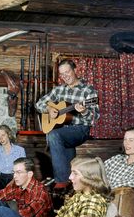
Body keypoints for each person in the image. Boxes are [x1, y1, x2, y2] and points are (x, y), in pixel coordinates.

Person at [35, 59, 99, 190]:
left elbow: (95, 118)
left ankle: (62, 181)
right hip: (63, 131)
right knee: (66, 159)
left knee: (53, 134)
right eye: (62, 74)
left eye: (67, 72)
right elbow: (39, 104)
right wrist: (48, 109)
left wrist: (85, 110)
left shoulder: (88, 90)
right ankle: (69, 187)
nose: (65, 76)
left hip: (80, 130)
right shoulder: (59, 90)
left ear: (75, 70)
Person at [18, 156, 110, 217]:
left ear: (89, 178)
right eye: (71, 172)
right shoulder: (80, 195)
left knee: (3, 213)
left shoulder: (94, 200)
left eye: (75, 173)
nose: (70, 177)